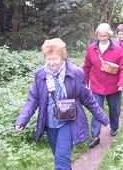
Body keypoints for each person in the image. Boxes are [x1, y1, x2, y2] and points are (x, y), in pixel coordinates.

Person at [14, 38, 110, 170]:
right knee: (59, 158)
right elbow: (33, 99)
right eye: (48, 59)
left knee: (61, 160)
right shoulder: (40, 74)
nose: (51, 63)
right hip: (50, 122)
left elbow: (87, 98)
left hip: (69, 121)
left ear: (62, 57)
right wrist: (22, 120)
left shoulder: (75, 73)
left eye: (55, 59)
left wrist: (102, 118)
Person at [82, 23, 123, 148]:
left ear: (109, 35)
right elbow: (86, 67)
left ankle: (114, 127)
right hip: (96, 86)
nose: (102, 38)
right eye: (100, 36)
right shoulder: (91, 48)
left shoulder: (117, 49)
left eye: (105, 36)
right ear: (97, 35)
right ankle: (95, 136)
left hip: (114, 86)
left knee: (114, 109)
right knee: (96, 111)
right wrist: (84, 83)